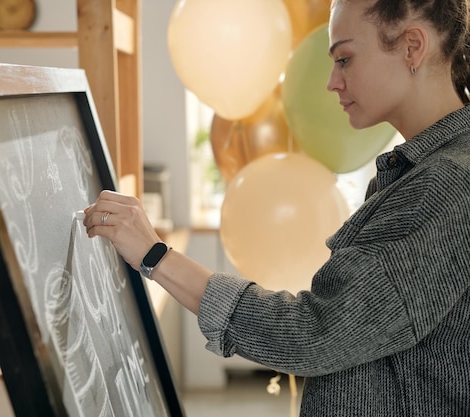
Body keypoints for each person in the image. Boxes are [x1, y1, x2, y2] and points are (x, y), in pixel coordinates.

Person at [83, 0, 470, 415]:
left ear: (412, 46)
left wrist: (155, 256)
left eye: (344, 59)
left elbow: (316, 332)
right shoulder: (421, 172)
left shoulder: (446, 183)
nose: (332, 82)